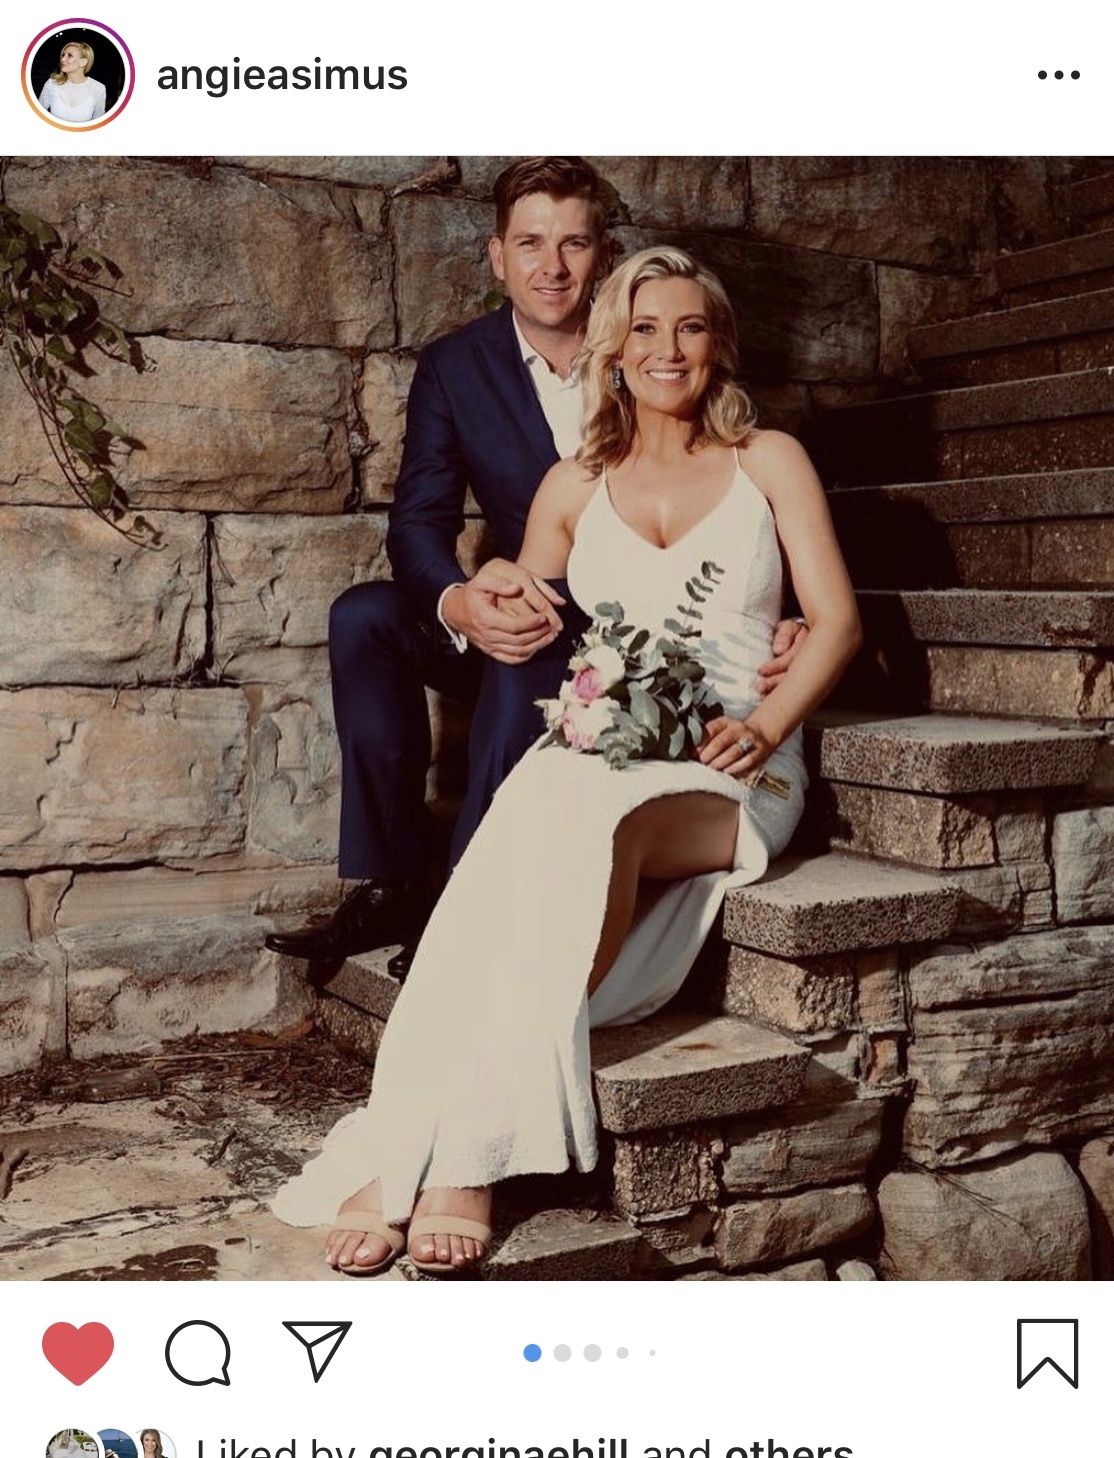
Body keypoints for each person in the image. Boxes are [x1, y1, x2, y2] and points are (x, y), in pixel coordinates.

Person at [273, 247, 862, 1276]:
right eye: (643, 329)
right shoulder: (573, 484)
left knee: (593, 824)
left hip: (732, 762)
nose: (666, 349)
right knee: (524, 819)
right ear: (613, 351)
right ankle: (417, 1137)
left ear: (718, 344)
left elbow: (839, 623)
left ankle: (460, 1157)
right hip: (603, 745)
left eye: (688, 327)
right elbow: (516, 610)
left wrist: (768, 726)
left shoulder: (769, 460)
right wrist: (488, 591)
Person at [266, 159, 807, 978]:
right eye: (529, 244)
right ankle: (394, 879)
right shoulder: (455, 367)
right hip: (520, 601)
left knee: (527, 653)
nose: (551, 267)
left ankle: (466, 901)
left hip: (628, 642)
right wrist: (458, 602)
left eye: (573, 244)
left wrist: (787, 612)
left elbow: (737, 496)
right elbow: (418, 521)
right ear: (497, 257)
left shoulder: (652, 343)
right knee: (365, 617)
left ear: (604, 254)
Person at [38, 40, 107, 122]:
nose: (63, 59)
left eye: (70, 55)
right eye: (63, 55)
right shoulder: (52, 83)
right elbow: (39, 113)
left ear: (83, 62)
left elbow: (98, 121)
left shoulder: (98, 88)